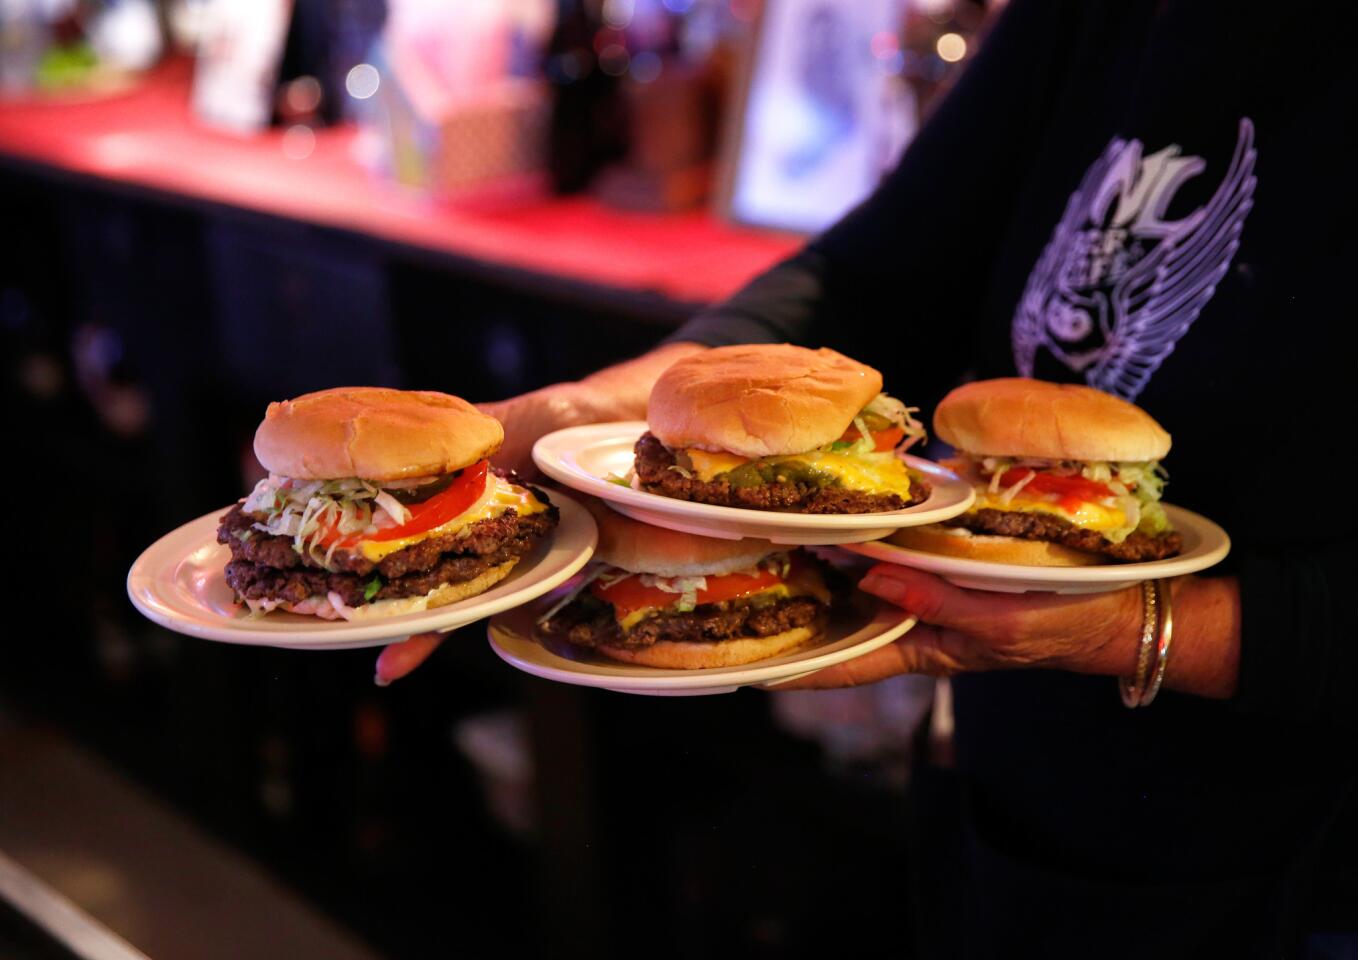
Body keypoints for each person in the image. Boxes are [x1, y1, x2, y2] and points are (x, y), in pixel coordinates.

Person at [377, 0, 1358, 954]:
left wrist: (1141, 631)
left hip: (1290, 847)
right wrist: (598, 413)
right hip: (1017, 780)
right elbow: (880, 272)